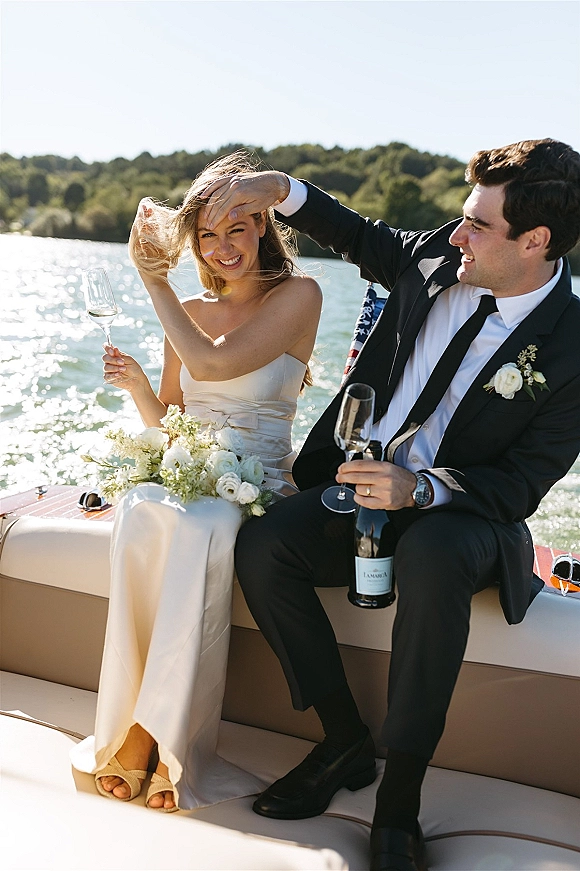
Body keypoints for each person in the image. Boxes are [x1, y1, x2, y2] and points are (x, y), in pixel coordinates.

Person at [202, 139, 580, 870]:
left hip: (463, 514)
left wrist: (425, 488)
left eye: (477, 225)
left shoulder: (573, 345)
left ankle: (399, 796)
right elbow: (360, 235)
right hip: (359, 482)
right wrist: (282, 187)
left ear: (536, 241)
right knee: (267, 543)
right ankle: (343, 738)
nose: (456, 233)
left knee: (434, 553)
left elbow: (522, 482)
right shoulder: (444, 254)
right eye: (462, 217)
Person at [70, 153, 322, 812]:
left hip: (259, 483)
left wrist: (149, 281)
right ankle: (127, 728)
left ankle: (163, 738)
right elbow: (175, 421)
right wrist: (135, 390)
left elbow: (214, 361)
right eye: (206, 234)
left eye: (235, 227)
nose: (221, 246)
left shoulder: (299, 297)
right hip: (193, 470)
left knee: (202, 521)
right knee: (144, 504)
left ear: (264, 224)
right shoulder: (187, 307)